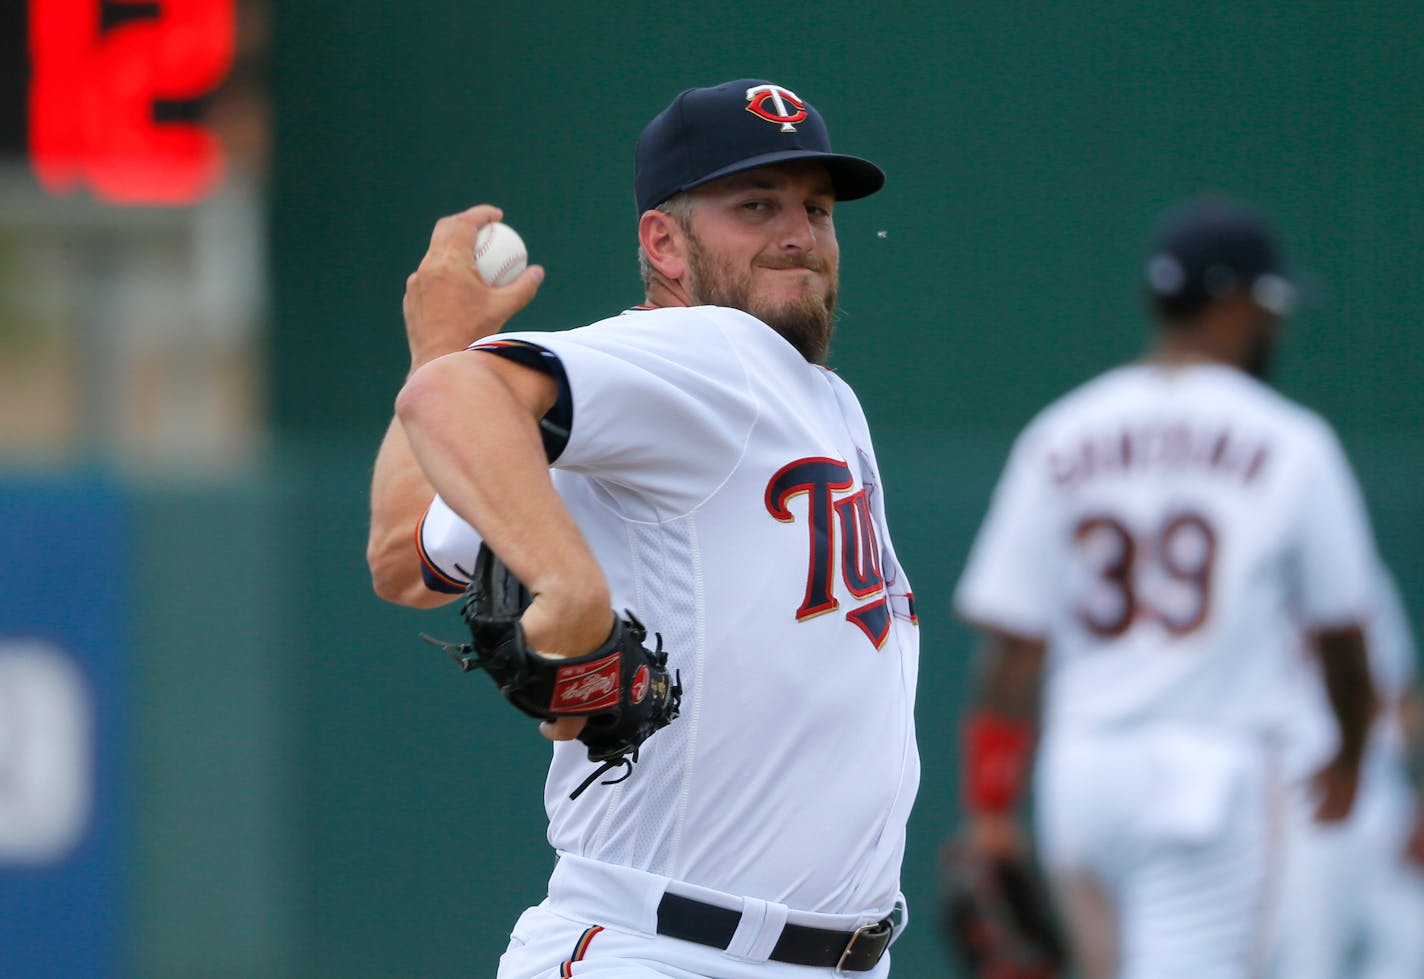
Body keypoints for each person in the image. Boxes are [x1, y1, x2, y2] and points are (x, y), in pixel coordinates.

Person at [366, 79, 920, 978]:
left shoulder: (805, 396)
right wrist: (566, 581)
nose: (799, 234)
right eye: (755, 205)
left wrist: (439, 343)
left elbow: (401, 555)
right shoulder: (714, 352)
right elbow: (450, 399)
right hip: (667, 952)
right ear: (664, 241)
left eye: (816, 208)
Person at [950, 197, 1380, 979]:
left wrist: (989, 809)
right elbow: (1345, 637)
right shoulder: (1290, 440)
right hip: (1208, 781)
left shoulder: (1062, 430)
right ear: (1243, 305)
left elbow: (1014, 648)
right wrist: (1350, 757)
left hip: (1081, 777)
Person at [1270, 561, 1424, 979]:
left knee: (1408, 944)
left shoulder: (1361, 573)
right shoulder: (1253, 575)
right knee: (1308, 961)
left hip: (1378, 799)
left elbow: (1403, 696)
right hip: (1299, 804)